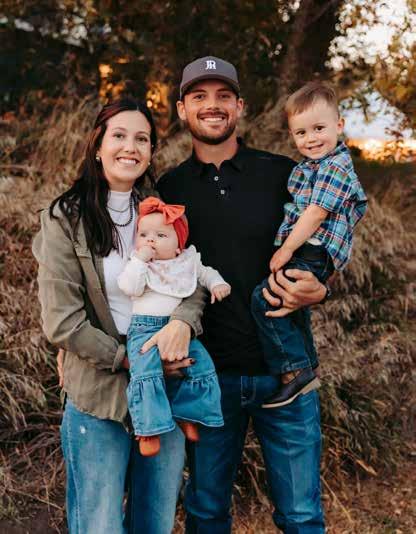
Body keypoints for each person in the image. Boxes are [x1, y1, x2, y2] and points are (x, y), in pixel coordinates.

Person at [157, 56, 328, 533]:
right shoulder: (169, 188)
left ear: (240, 106)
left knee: (301, 517)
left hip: (287, 375)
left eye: (223, 96)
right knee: (206, 513)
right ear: (182, 109)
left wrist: (321, 286)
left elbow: (325, 240)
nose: (212, 106)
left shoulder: (285, 173)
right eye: (199, 97)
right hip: (207, 377)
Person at [32, 98, 204, 534]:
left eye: (142, 139)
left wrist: (183, 323)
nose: (131, 147)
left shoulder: (162, 212)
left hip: (163, 392)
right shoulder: (64, 218)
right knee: (99, 525)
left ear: (151, 151)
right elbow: (62, 322)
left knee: (155, 522)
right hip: (97, 396)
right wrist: (133, 359)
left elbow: (192, 279)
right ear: (98, 145)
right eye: (120, 136)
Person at [252, 81, 368, 408]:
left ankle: (295, 369)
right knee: (294, 306)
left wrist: (286, 249)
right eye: (301, 133)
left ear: (339, 125)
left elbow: (316, 213)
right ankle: (310, 365)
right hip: (311, 248)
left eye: (319, 128)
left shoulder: (335, 166)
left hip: (313, 249)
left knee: (264, 298)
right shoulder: (311, 166)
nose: (311, 138)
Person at [118, 196, 229, 457]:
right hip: (144, 329)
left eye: (161, 235)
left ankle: (187, 413)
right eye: (143, 235)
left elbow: (206, 273)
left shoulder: (186, 262)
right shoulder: (139, 265)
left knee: (201, 365)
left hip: (179, 330)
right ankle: (148, 429)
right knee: (146, 373)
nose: (150, 240)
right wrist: (140, 261)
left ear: (179, 244)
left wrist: (217, 284)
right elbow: (129, 287)